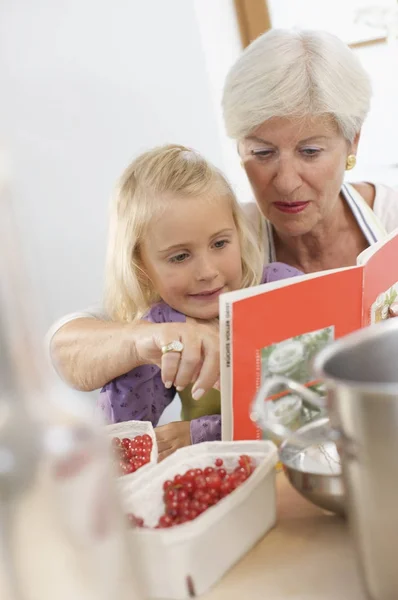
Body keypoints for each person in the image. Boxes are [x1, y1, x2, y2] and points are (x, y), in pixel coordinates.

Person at [49, 29, 398, 443]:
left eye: (310, 152)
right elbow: (68, 344)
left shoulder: (390, 219)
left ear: (352, 141)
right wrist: (149, 337)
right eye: (262, 152)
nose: (285, 183)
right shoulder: (224, 242)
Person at [93, 144, 301, 459]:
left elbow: (309, 406)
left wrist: (201, 432)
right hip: (226, 478)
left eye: (219, 243)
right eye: (180, 256)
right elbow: (122, 434)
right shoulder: (164, 326)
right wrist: (138, 348)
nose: (207, 272)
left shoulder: (280, 288)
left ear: (238, 232)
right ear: (141, 266)